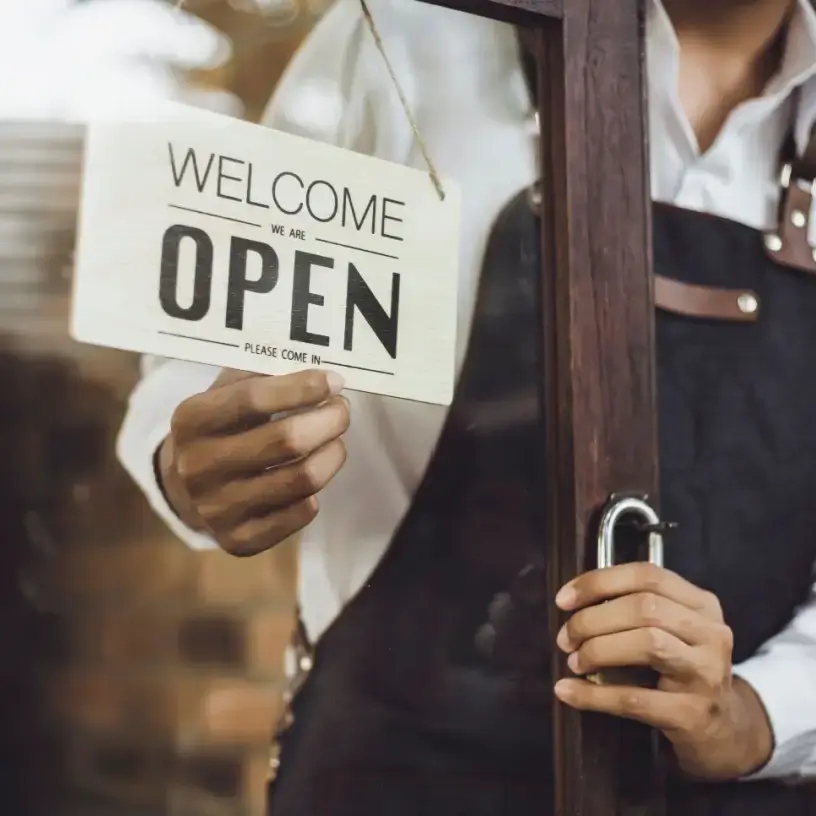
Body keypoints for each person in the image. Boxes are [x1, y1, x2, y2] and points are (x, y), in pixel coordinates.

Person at [118, 0, 816, 813]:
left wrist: (754, 715)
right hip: (392, 773)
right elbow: (201, 358)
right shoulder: (410, 34)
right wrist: (193, 460)